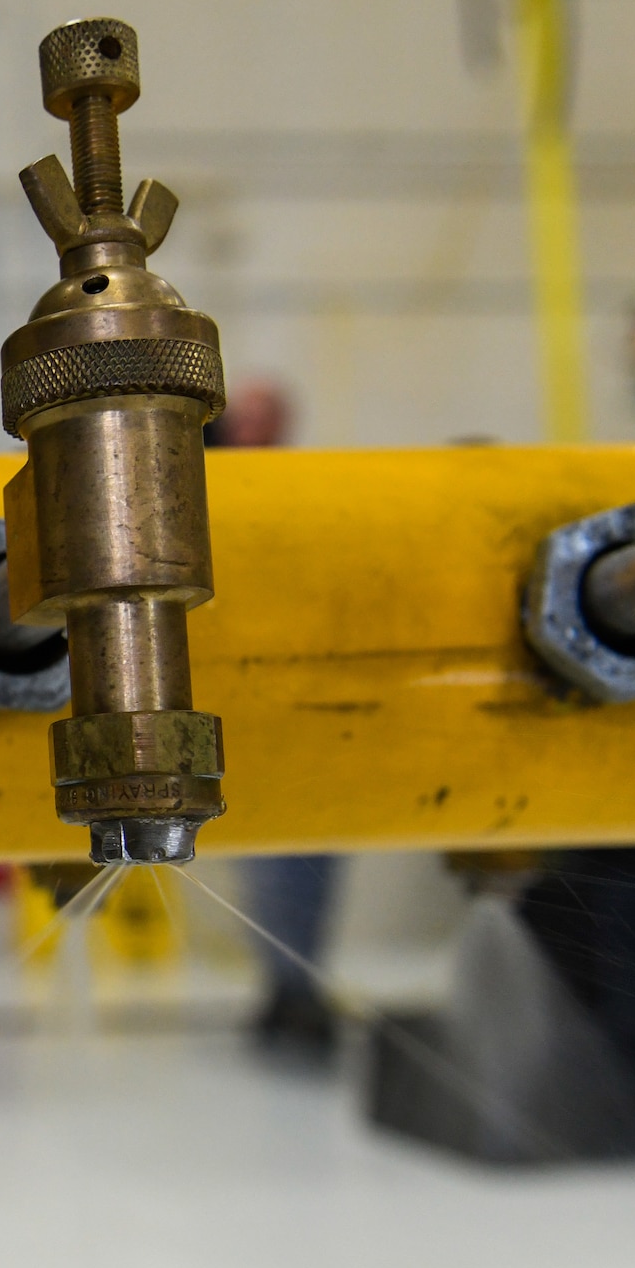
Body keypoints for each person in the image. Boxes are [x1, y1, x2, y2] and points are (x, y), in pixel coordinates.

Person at [208, 379, 348, 1063]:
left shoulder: (300, 494)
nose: (254, 427)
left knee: (306, 861)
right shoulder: (206, 492)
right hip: (248, 705)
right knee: (272, 868)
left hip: (306, 712)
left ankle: (298, 986)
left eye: (267, 417)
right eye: (247, 417)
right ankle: (284, 986)